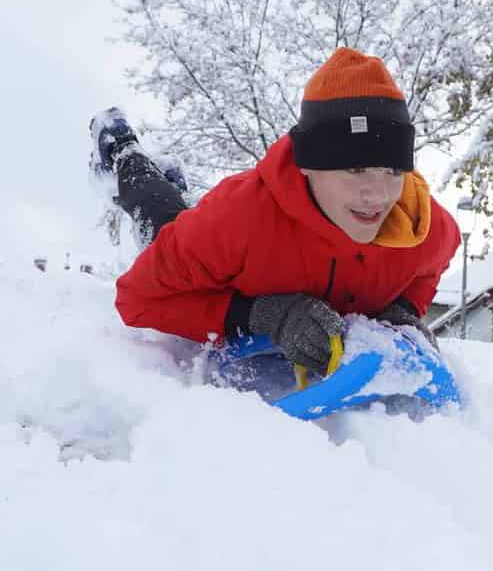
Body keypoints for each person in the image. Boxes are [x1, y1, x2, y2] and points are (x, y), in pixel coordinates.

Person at [95, 47, 460, 375]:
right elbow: (137, 299)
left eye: (393, 171)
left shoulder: (421, 224)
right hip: (212, 257)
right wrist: (260, 315)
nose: (378, 195)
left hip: (221, 246)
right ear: (309, 164)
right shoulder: (235, 219)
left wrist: (402, 309)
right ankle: (125, 152)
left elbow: (428, 270)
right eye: (355, 169)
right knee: (162, 219)